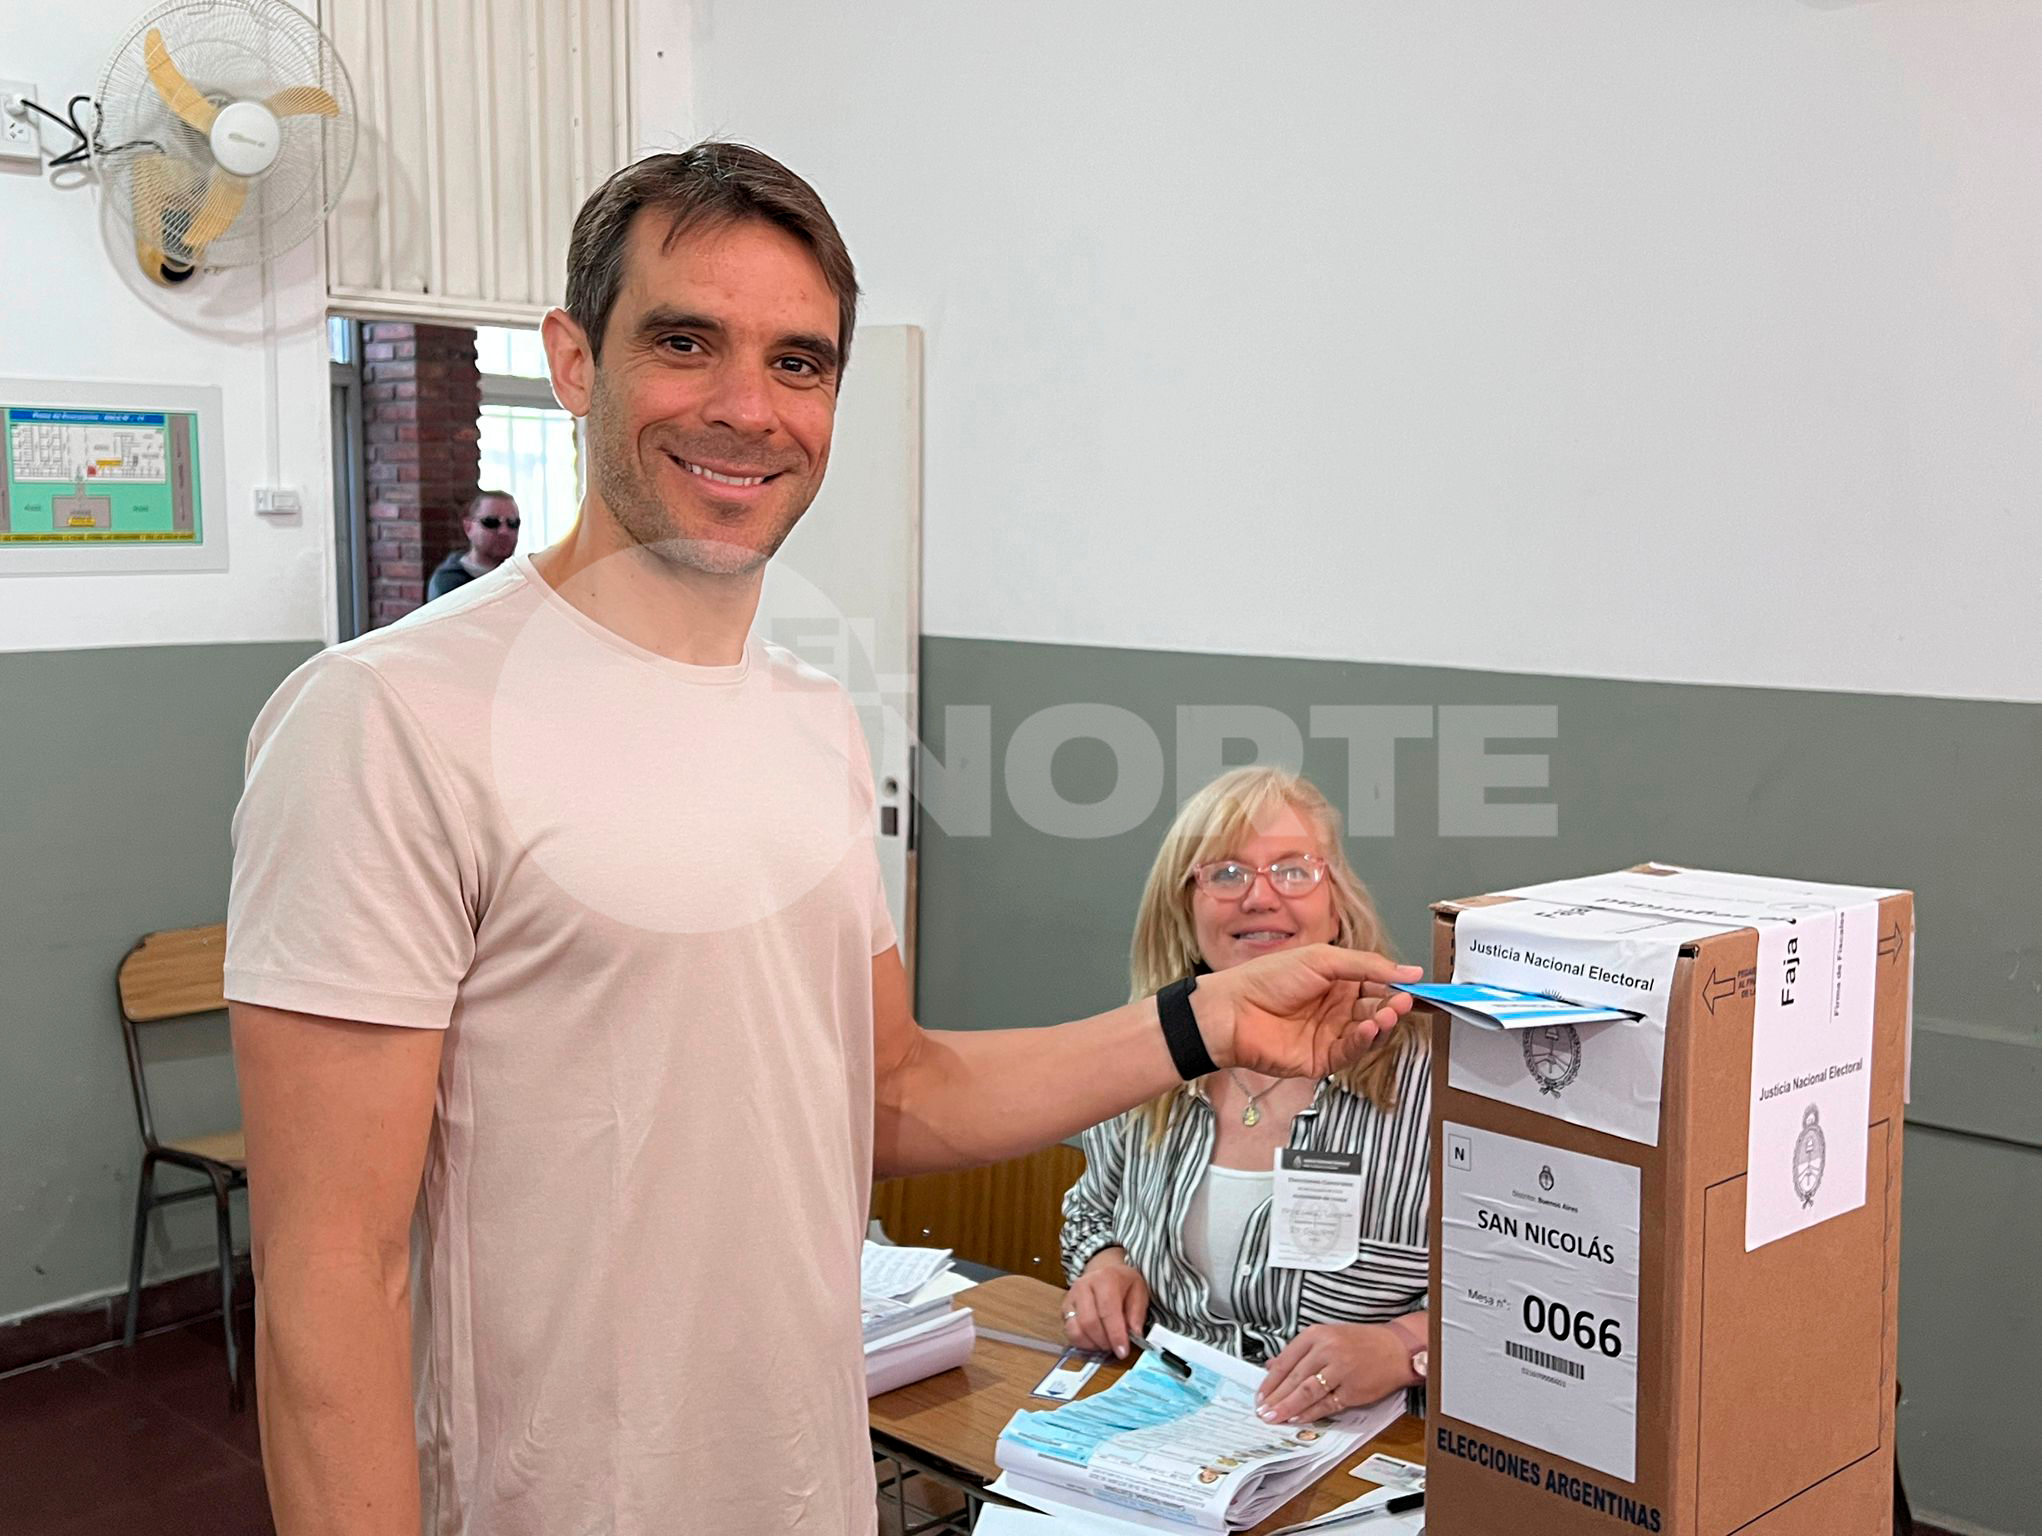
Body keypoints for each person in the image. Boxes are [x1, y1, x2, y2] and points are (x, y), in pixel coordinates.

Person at [224, 143, 1424, 1536]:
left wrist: (1207, 1021)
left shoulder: (812, 724)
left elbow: (890, 1091)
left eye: (799, 363)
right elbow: (332, 1276)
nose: (748, 409)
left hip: (801, 1491)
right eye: (686, 342)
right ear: (573, 359)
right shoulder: (387, 718)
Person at [1060, 767, 1432, 1427]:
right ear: (1185, 909)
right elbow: (1090, 1213)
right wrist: (1104, 1263)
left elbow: (1525, 1288)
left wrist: (1406, 1346)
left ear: (1336, 901)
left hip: (1370, 1454)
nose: (1260, 898)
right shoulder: (1145, 1061)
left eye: (1293, 871)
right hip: (1162, 1432)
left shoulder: (1434, 1078)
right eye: (1226, 874)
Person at [425, 489, 520, 599]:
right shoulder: (449, 584)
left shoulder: (520, 575)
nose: (504, 531)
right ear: (468, 528)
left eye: (513, 523)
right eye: (491, 522)